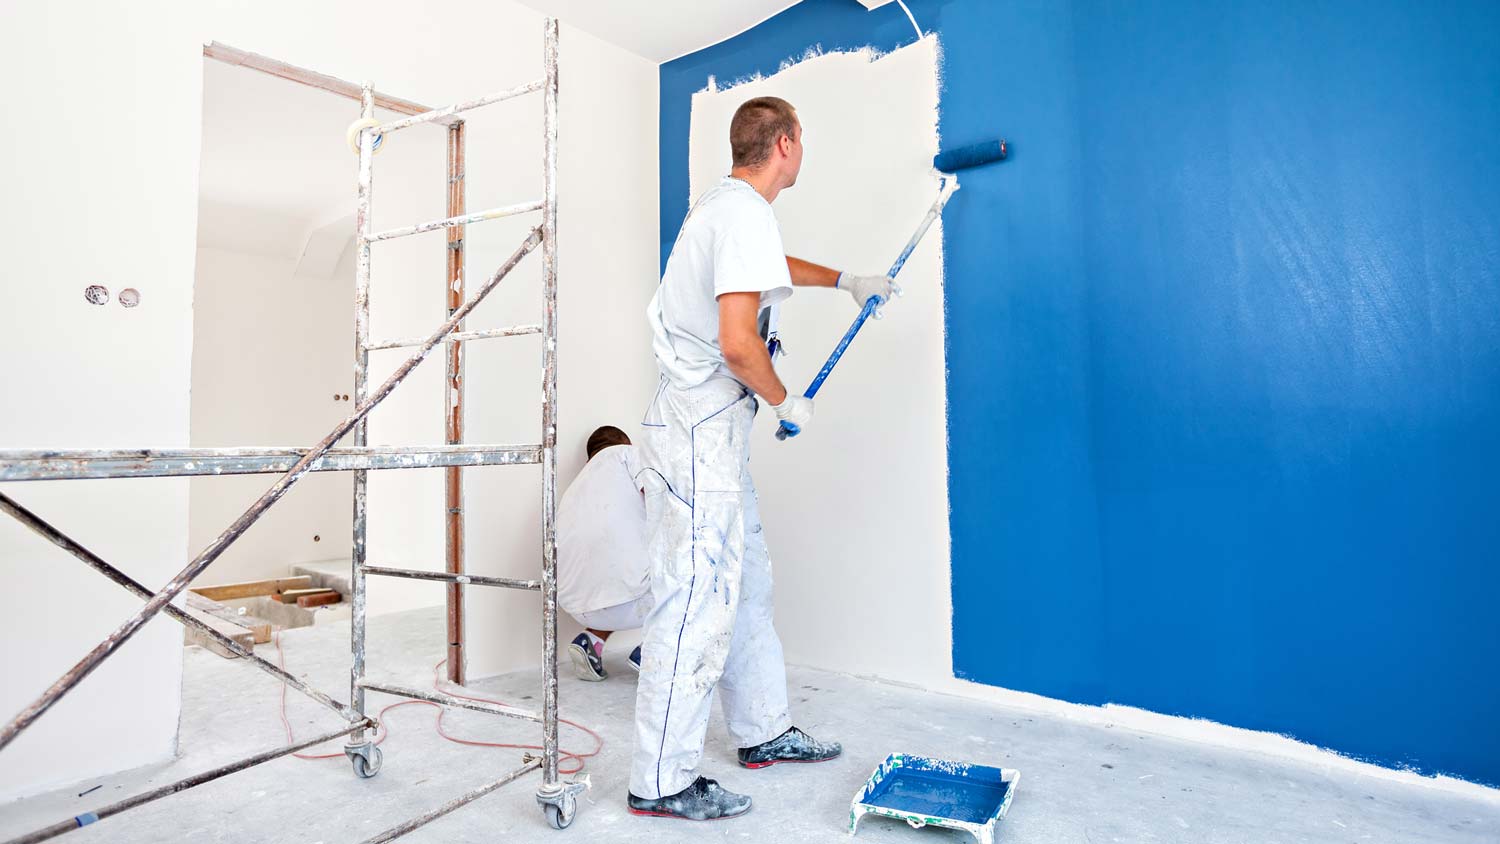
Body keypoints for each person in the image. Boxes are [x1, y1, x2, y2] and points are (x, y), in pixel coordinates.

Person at [627, 95, 896, 821]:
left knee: (744, 583)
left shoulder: (732, 209)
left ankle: (763, 731)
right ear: (787, 142)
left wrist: (844, 281)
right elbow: (739, 344)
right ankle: (660, 781)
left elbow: (766, 269)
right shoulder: (742, 214)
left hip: (711, 435)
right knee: (694, 601)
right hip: (696, 438)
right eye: (801, 141)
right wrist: (786, 401)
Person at [557, 425, 652, 681]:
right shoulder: (628, 454)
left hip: (578, 606)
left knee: (614, 574)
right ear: (625, 442)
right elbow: (658, 500)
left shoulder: (573, 489)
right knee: (694, 566)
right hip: (631, 599)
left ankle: (590, 640)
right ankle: (656, 651)